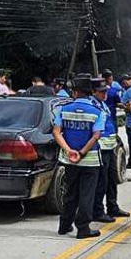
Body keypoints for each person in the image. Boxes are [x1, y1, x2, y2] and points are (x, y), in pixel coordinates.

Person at [52, 75, 107, 239]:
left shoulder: (63, 109)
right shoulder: (98, 112)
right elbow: (96, 136)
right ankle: (83, 228)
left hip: (69, 160)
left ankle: (64, 225)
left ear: (75, 92)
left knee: (70, 193)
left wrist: (69, 151)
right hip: (89, 160)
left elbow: (56, 132)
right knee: (87, 195)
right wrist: (82, 152)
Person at [91, 78, 130, 223]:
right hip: (101, 148)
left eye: (105, 91)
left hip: (110, 147)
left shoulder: (102, 104)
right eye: (101, 92)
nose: (105, 94)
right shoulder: (93, 105)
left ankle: (112, 206)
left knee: (112, 179)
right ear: (94, 92)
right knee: (101, 181)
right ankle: (98, 211)